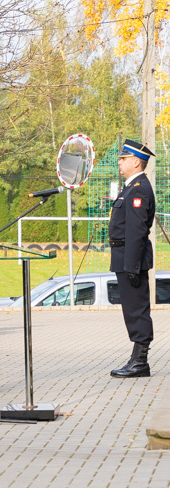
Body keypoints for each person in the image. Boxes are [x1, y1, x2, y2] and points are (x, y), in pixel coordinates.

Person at [109, 139, 157, 378]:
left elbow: (137, 231)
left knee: (137, 309)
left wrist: (132, 265)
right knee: (131, 309)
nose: (120, 162)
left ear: (136, 162)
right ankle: (136, 359)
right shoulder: (130, 187)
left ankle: (140, 362)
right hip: (124, 256)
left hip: (131, 258)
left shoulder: (138, 188)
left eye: (123, 158)